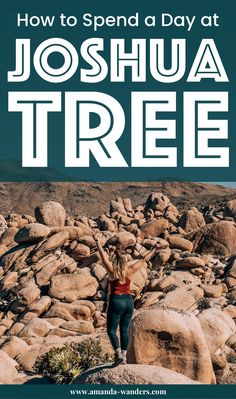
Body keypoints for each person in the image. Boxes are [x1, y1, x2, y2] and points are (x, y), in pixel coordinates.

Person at [94, 236, 157, 365]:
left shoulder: (112, 271)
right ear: (125, 262)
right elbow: (144, 259)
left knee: (111, 330)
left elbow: (103, 257)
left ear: (115, 261)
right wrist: (154, 249)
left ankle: (118, 354)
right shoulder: (130, 270)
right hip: (129, 301)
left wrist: (97, 242)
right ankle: (124, 356)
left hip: (116, 301)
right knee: (124, 329)